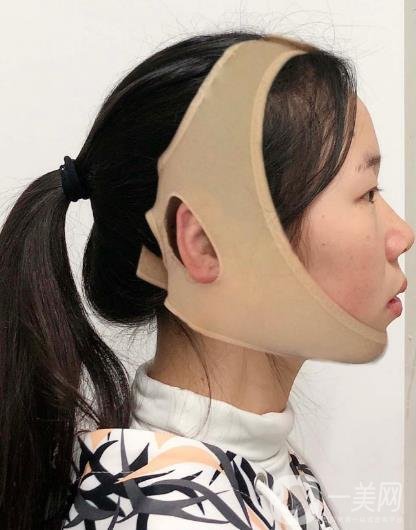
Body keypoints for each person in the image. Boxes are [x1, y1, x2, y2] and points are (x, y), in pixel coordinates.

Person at [0, 30, 413, 530]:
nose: (402, 234)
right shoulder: (174, 517)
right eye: (366, 193)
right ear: (206, 245)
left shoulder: (258, 467)